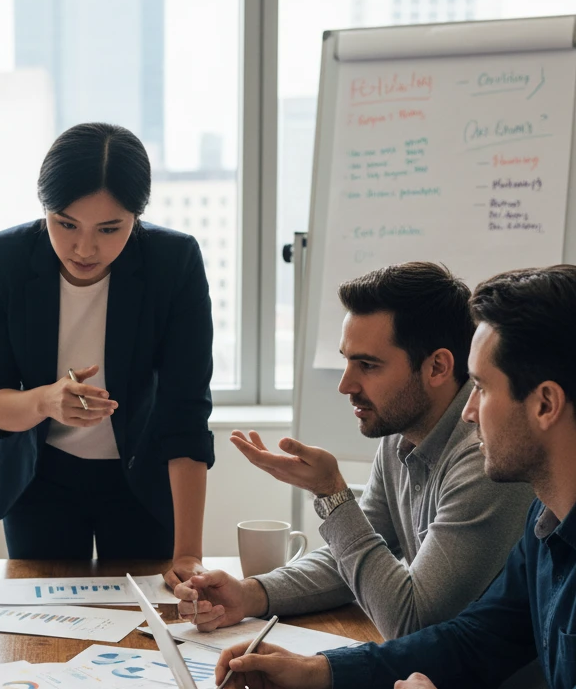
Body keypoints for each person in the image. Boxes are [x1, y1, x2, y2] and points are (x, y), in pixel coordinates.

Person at [212, 265, 576, 689]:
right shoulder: (547, 517)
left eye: (480, 388)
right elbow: (476, 640)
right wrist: (322, 674)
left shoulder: (496, 475)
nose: (471, 412)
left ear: (545, 404)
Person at [176, 262, 533, 640]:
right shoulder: (399, 434)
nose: (346, 385)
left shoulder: (485, 455)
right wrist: (249, 594)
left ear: (438, 367)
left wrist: (332, 494)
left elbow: (410, 620)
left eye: (367, 365)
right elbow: (351, 561)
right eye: (346, 360)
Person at [0, 123, 214, 589]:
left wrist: (189, 554)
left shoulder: (173, 263)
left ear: (137, 217)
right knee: (43, 627)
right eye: (65, 224)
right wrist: (45, 401)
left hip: (142, 477)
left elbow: (186, 414)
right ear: (44, 208)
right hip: (39, 477)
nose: (84, 248)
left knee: (146, 628)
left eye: (109, 228)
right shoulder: (3, 260)